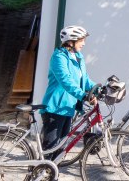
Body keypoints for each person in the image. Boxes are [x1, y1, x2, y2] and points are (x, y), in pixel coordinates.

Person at [39, 25, 97, 159]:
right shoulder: (58, 57)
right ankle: (39, 175)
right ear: (71, 41)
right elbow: (66, 80)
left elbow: (85, 80)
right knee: (50, 150)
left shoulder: (78, 57)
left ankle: (52, 174)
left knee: (60, 150)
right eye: (81, 40)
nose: (84, 43)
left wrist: (100, 88)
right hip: (55, 108)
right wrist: (83, 96)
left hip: (68, 108)